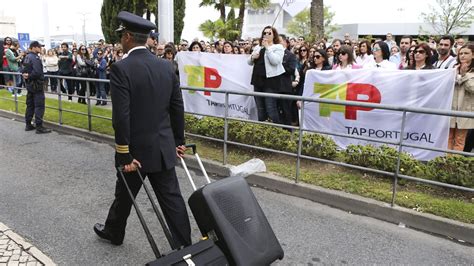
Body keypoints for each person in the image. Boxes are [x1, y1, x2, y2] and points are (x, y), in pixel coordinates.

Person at [93, 11, 191, 247]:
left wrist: (124, 152)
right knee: (172, 200)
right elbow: (177, 108)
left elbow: (121, 117)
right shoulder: (166, 67)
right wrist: (179, 141)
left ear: (127, 37)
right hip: (162, 148)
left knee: (125, 194)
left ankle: (114, 233)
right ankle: (185, 249)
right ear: (146, 38)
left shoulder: (121, 68)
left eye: (120, 36)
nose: (119, 40)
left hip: (135, 151)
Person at [248, 25, 285, 124]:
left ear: (274, 35)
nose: (266, 35)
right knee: (260, 108)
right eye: (265, 33)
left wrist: (268, 48)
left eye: (269, 33)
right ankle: (262, 130)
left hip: (271, 81)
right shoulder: (258, 47)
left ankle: (276, 131)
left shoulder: (278, 47)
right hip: (257, 80)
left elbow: (275, 61)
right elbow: (249, 62)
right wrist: (253, 57)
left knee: (271, 108)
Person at [22, 41, 51, 134]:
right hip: (36, 84)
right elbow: (37, 72)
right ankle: (39, 127)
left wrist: (26, 75)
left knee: (30, 105)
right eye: (39, 47)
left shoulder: (27, 56)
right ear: (34, 47)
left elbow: (23, 70)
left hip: (30, 84)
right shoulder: (35, 58)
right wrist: (29, 76)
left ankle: (28, 124)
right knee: (39, 105)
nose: (40, 48)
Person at [449, 43, 474, 151]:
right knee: (448, 138)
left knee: (459, 140)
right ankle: (444, 163)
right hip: (450, 109)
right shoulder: (453, 68)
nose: (463, 56)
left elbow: (472, 88)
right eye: (461, 53)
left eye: (466, 53)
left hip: (465, 110)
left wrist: (464, 75)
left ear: (473, 55)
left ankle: (453, 166)